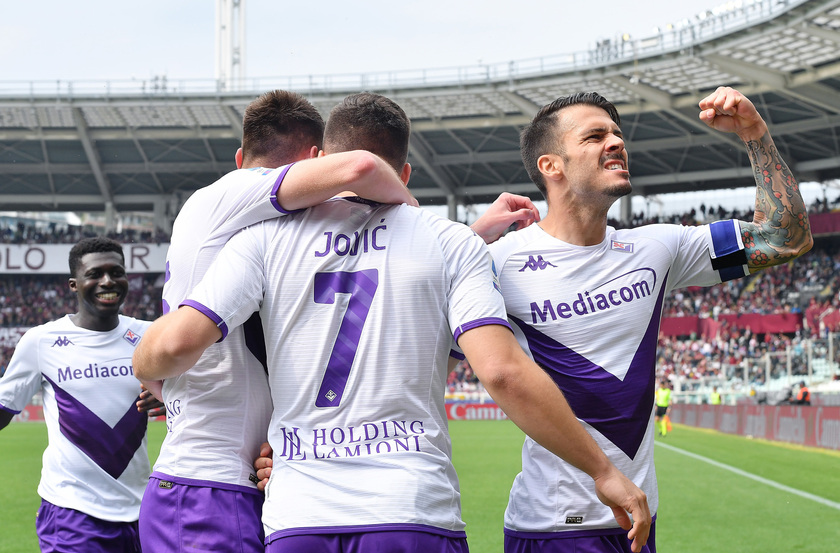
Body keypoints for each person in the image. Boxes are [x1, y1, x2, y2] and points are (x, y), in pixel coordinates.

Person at [134, 92, 651, 553]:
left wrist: (143, 363)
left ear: (319, 161)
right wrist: (604, 472)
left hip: (299, 514)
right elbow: (503, 373)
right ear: (404, 175)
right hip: (412, 508)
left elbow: (180, 342)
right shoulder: (449, 241)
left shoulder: (262, 239)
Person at [470, 86, 813, 552]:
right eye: (594, 136)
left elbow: (785, 237)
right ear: (551, 166)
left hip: (638, 522)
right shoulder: (495, 262)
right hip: (551, 528)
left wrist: (754, 132)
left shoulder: (657, 246)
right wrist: (467, 239)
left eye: (617, 133)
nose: (616, 142)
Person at [138, 89, 418, 552]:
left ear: (240, 152)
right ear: (315, 160)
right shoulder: (235, 194)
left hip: (233, 481)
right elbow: (362, 167)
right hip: (208, 484)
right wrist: (426, 233)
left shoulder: (254, 225)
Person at [0, 237, 156, 552]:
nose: (108, 281)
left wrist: (170, 397)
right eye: (95, 274)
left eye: (117, 272)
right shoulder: (41, 341)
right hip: (72, 512)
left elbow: (193, 396)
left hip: (143, 512)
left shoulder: (150, 335)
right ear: (74, 284)